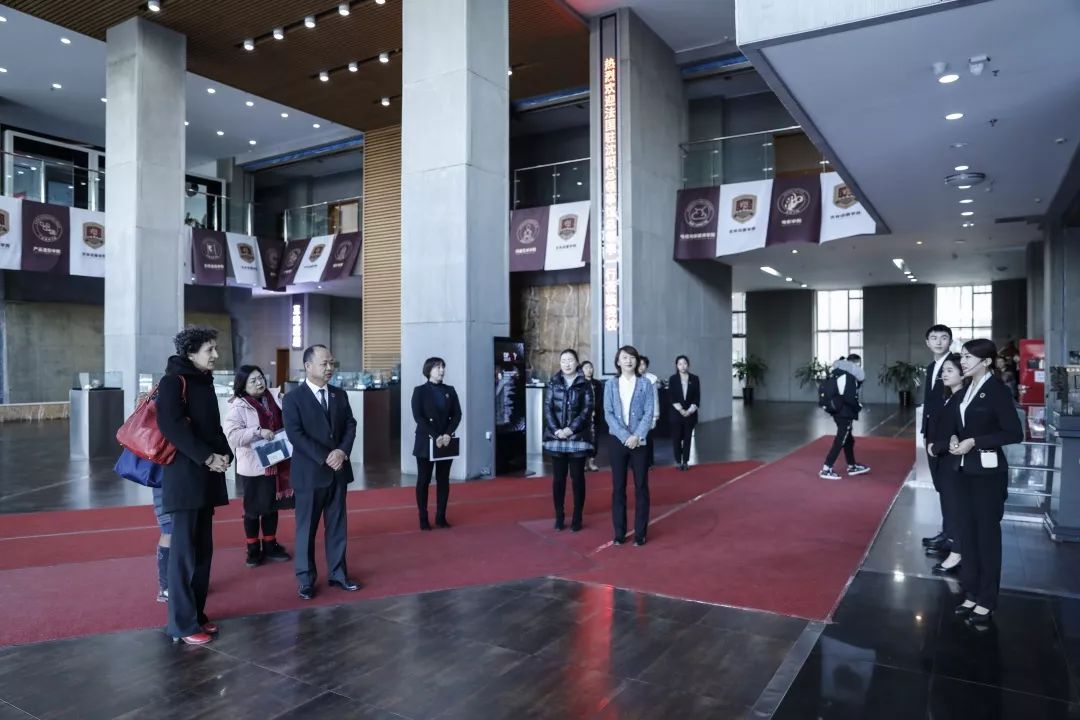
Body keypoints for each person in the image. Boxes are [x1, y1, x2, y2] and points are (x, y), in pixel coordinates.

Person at [934, 339, 1024, 628]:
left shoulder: (996, 391)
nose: (963, 362)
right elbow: (958, 427)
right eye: (962, 356)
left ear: (986, 362)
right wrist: (954, 439)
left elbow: (1014, 433)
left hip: (987, 476)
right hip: (962, 472)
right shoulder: (966, 391)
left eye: (968, 357)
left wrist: (975, 441)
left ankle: (987, 599)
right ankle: (971, 593)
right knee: (967, 534)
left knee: (986, 537)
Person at [156, 326, 231, 645]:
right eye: (209, 349)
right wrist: (207, 457)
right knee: (184, 555)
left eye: (215, 348)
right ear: (190, 352)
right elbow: (171, 426)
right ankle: (182, 624)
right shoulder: (173, 382)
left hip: (205, 478)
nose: (215, 355)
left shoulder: (203, 381)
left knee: (202, 553)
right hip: (185, 478)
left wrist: (225, 453)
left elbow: (212, 427)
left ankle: (196, 615)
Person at [283, 344, 359, 600]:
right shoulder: (293, 398)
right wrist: (326, 456)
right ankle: (305, 579)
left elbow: (350, 425)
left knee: (337, 526)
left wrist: (342, 451)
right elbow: (295, 434)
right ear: (308, 366)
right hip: (310, 474)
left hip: (338, 471)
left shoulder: (339, 395)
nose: (329, 368)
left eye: (331, 363)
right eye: (324, 363)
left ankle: (338, 574)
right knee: (306, 529)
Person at [224, 365, 293, 568]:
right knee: (253, 509)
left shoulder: (276, 397)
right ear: (243, 385)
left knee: (271, 506)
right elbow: (233, 436)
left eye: (260, 378)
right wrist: (257, 431)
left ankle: (270, 544)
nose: (259, 383)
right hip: (254, 466)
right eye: (253, 380)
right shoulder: (239, 405)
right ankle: (253, 548)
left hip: (277, 461)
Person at [605, 345, 655, 546]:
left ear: (637, 361)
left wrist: (637, 436)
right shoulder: (611, 384)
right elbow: (608, 413)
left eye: (632, 357)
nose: (628, 361)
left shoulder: (645, 384)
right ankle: (619, 532)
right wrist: (625, 436)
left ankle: (640, 533)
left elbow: (649, 412)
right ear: (618, 362)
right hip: (617, 441)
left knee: (641, 486)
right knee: (618, 487)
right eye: (624, 357)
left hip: (639, 441)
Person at [544, 349, 594, 532]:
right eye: (563, 360)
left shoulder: (585, 384)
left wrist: (570, 429)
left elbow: (587, 410)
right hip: (557, 437)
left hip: (577, 437)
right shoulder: (553, 382)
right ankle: (559, 516)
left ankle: (577, 516)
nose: (567, 364)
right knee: (558, 479)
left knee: (577, 479)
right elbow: (548, 408)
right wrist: (557, 430)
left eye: (570, 360)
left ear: (577, 363)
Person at [924, 354, 965, 576]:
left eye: (950, 370)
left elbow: (958, 434)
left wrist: (936, 447)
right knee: (949, 502)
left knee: (956, 506)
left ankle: (958, 552)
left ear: (963, 373)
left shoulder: (962, 399)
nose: (944, 375)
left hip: (953, 460)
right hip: (944, 458)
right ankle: (951, 540)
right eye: (943, 371)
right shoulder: (950, 396)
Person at [411, 357, 463, 530]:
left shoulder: (450, 390)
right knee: (423, 480)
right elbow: (418, 417)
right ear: (428, 370)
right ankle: (423, 518)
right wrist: (435, 436)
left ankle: (441, 516)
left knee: (443, 480)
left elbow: (457, 415)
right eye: (437, 367)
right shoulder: (419, 391)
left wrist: (447, 434)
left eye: (443, 367)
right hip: (426, 441)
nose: (441, 370)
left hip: (446, 441)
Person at [921, 324, 954, 553]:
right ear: (927, 343)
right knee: (941, 485)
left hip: (947, 436)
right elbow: (929, 402)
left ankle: (953, 536)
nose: (939, 342)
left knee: (949, 486)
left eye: (944, 338)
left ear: (950, 341)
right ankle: (947, 531)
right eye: (934, 338)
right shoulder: (932, 366)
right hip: (932, 433)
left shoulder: (954, 365)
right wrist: (926, 432)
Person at [819, 354, 871, 480]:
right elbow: (849, 397)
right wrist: (858, 407)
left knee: (848, 439)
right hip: (844, 413)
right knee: (841, 439)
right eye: (859, 364)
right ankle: (826, 468)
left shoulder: (837, 373)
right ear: (855, 364)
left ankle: (852, 465)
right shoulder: (848, 376)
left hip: (837, 410)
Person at [668, 355, 700, 471]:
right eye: (680, 364)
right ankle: (678, 461)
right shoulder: (673, 379)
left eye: (685, 363)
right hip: (676, 414)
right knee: (676, 438)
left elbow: (697, 397)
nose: (683, 366)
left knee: (687, 438)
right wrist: (681, 410)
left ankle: (685, 461)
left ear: (688, 365)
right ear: (677, 366)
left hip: (690, 414)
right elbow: (671, 397)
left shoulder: (695, 378)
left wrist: (689, 411)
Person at [637, 356, 660, 468]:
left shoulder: (651, 379)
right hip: (635, 415)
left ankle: (649, 462)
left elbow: (655, 398)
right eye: (639, 364)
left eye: (643, 364)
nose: (641, 367)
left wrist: (655, 416)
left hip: (648, 414)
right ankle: (637, 462)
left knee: (648, 438)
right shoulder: (631, 378)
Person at [581, 361, 605, 472]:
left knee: (594, 439)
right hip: (583, 417)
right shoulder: (580, 383)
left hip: (596, 416)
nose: (589, 370)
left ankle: (591, 462)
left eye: (590, 367)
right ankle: (583, 463)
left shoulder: (598, 384)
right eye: (586, 368)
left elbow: (600, 400)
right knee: (584, 439)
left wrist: (595, 410)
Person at [151, 486, 171, 603]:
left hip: (168, 491)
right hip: (167, 491)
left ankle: (167, 586)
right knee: (168, 533)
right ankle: (166, 587)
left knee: (168, 533)